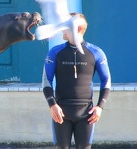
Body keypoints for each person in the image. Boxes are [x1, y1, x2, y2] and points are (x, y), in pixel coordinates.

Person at [42, 13, 111, 149]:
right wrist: (52, 105)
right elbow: (46, 80)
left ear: (78, 29)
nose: (62, 29)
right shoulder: (55, 52)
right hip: (61, 111)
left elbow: (106, 79)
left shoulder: (96, 52)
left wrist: (99, 107)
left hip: (87, 113)